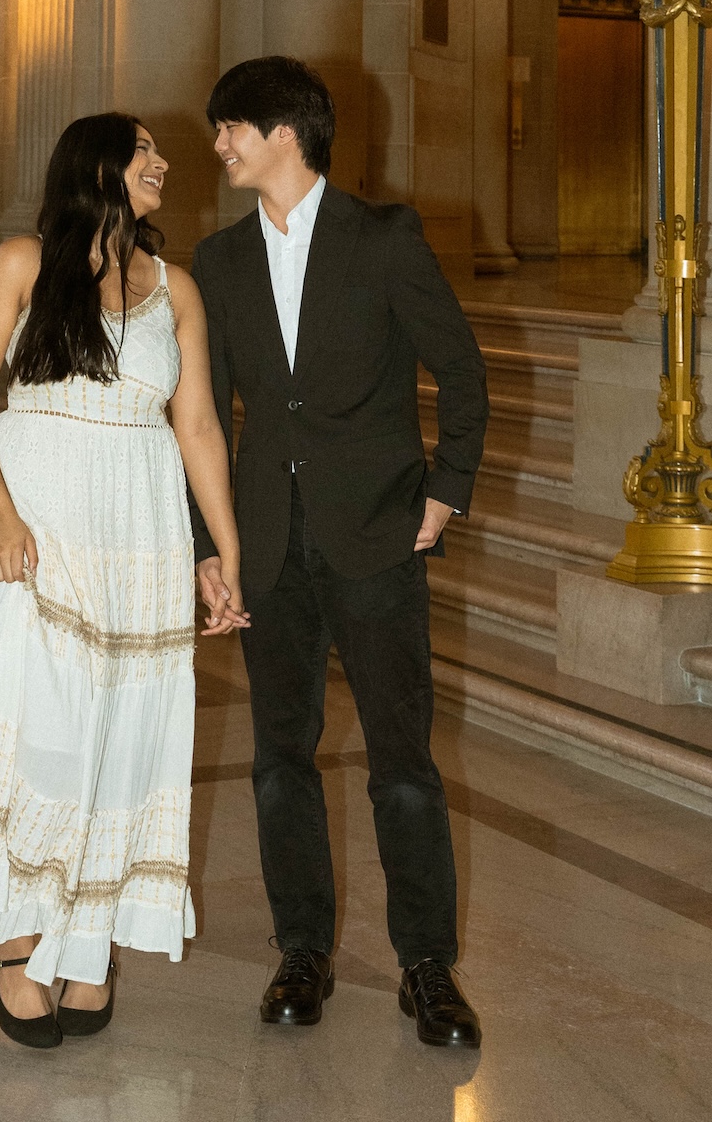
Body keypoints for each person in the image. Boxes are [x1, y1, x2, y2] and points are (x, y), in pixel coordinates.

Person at [0, 114, 247, 1049]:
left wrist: (223, 549)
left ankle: (88, 940)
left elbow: (198, 425)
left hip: (142, 523)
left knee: (123, 727)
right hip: (36, 514)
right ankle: (14, 936)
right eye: (145, 149)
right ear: (95, 165)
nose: (164, 162)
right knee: (46, 721)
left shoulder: (179, 290)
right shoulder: (21, 263)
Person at [191, 57, 489, 1049]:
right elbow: (199, 418)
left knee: (401, 763)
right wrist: (210, 547)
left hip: (373, 535)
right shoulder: (218, 262)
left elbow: (459, 371)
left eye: (231, 127)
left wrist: (444, 493)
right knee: (279, 760)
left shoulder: (383, 239)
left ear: (285, 132)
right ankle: (301, 952)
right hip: (267, 548)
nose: (220, 144)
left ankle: (425, 969)